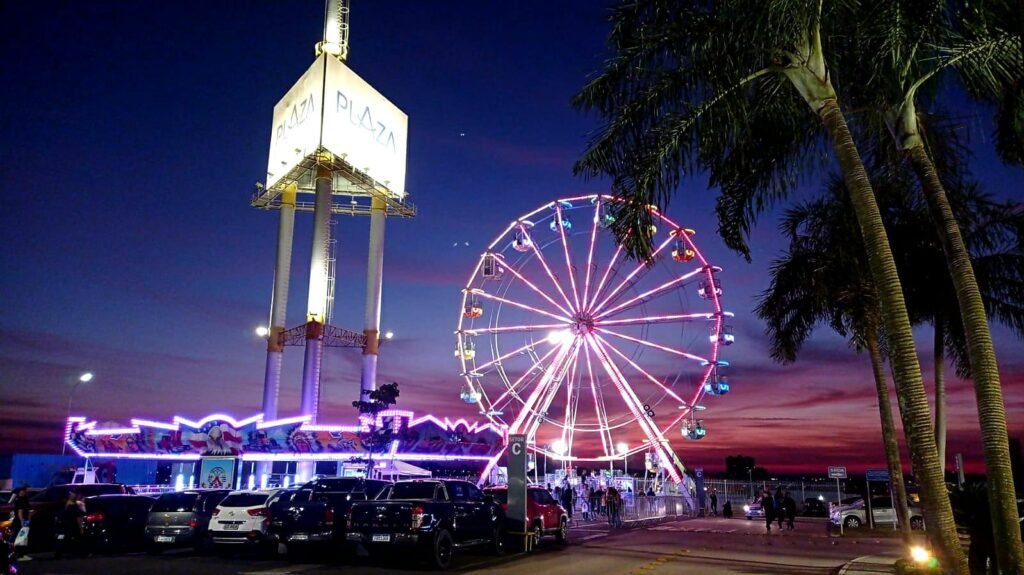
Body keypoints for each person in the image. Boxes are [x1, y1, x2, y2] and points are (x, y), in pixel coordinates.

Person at [10, 486, 31, 561]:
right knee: (20, 538)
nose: (25, 492)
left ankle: (23, 555)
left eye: (25, 490)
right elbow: (20, 512)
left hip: (25, 521)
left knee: (24, 539)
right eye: (23, 491)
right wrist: (22, 521)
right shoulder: (19, 500)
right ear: (19, 492)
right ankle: (19, 556)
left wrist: (28, 519)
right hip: (20, 522)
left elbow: (28, 511)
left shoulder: (25, 499)